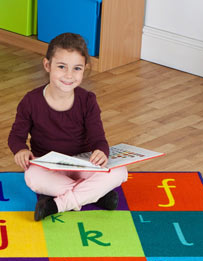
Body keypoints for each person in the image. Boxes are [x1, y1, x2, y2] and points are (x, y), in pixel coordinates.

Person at [7, 32, 128, 221]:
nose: (69, 75)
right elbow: (16, 136)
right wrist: (20, 149)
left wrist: (101, 151)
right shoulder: (31, 101)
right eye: (62, 67)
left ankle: (57, 204)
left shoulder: (88, 100)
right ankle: (96, 195)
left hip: (83, 162)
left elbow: (98, 138)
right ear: (47, 65)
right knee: (32, 177)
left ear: (84, 69)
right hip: (49, 164)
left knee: (120, 171)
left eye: (77, 68)